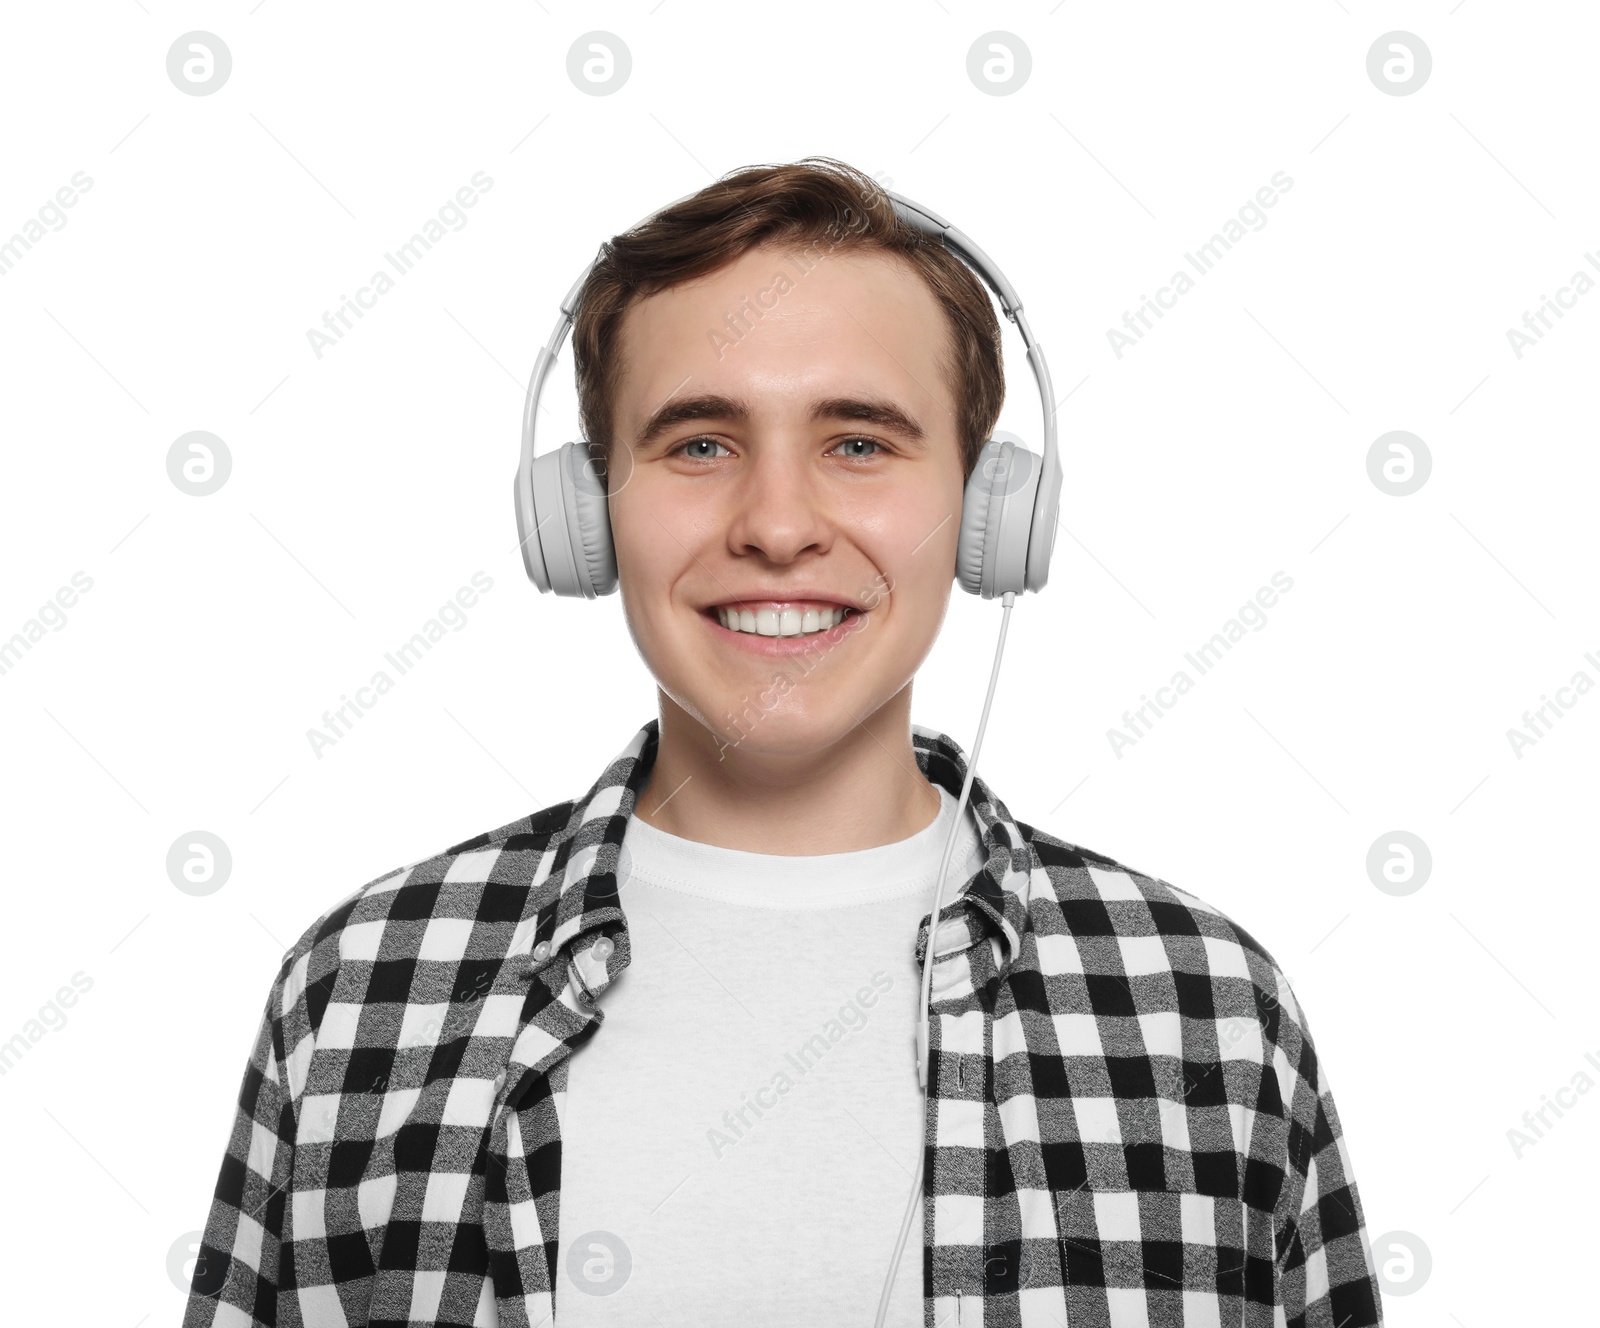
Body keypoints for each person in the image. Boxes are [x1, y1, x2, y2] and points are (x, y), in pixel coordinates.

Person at [184, 157, 1383, 1327]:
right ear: (585, 512)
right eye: (699, 443)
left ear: (987, 510)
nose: (774, 524)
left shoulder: (1205, 1006)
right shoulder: (360, 989)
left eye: (858, 441)